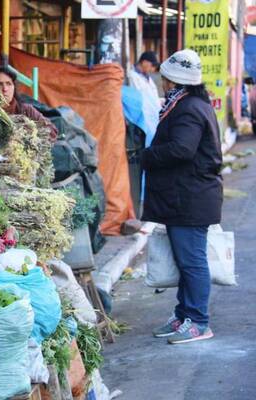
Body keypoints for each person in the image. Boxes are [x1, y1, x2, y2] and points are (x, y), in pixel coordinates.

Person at [141, 49, 222, 344]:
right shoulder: (190, 104)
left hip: (191, 199)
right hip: (186, 198)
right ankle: (184, 317)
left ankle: (198, 322)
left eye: (164, 77)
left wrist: (147, 156)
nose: (162, 82)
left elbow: (182, 149)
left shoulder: (188, 108)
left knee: (192, 262)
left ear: (171, 80)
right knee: (186, 262)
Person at [0, 66, 58, 139]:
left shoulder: (26, 110)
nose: (5, 89)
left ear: (14, 87)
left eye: (8, 84)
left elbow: (52, 130)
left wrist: (30, 134)